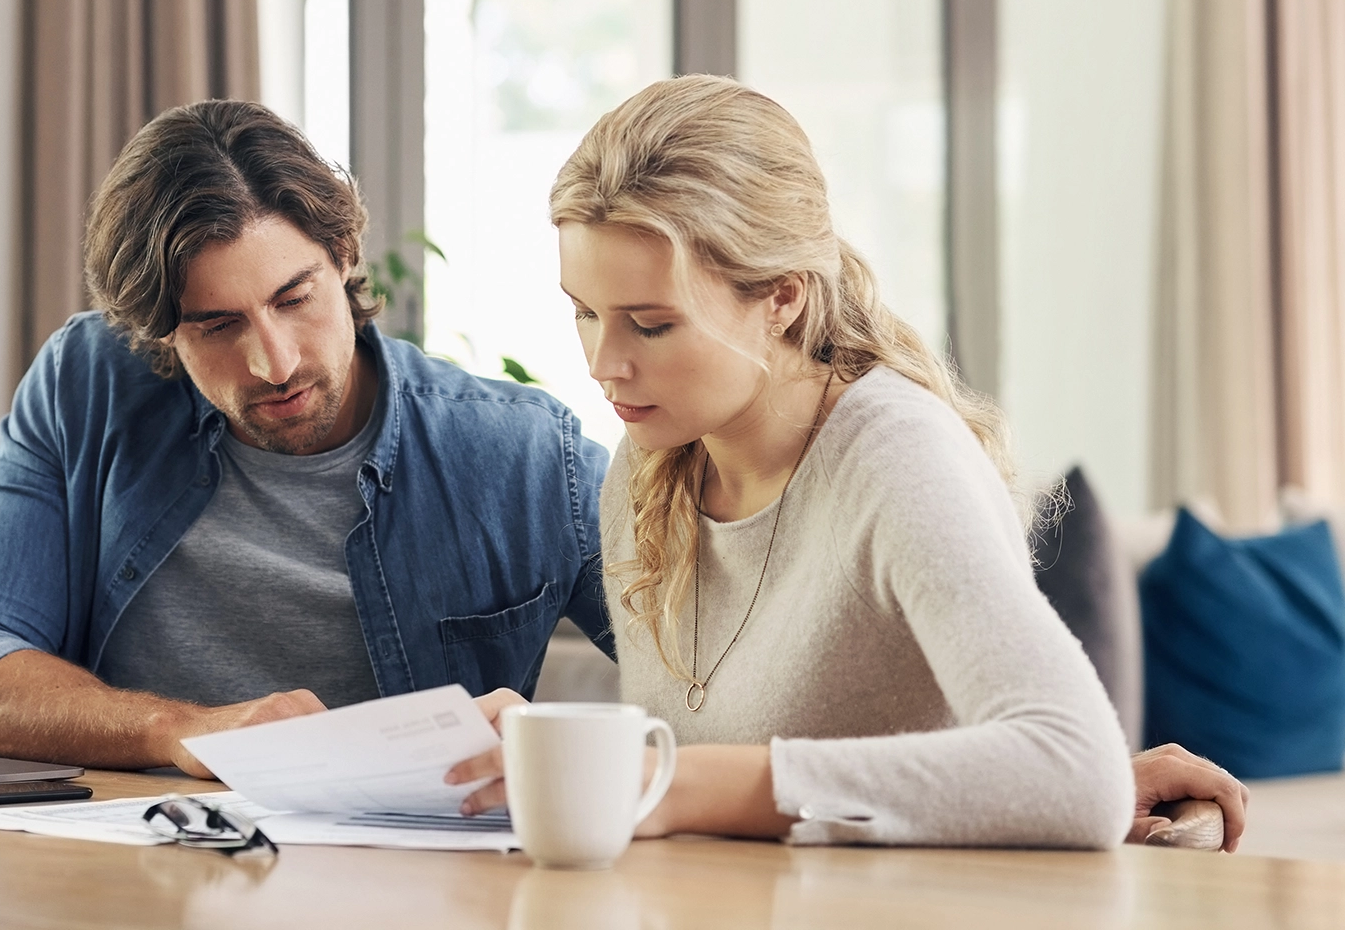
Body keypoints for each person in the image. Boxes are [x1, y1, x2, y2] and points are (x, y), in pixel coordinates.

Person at [451, 74, 1246, 849]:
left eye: (651, 325)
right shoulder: (650, 466)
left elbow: (1075, 770)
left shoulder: (895, 456)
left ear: (784, 297)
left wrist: (669, 780)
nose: (603, 363)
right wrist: (566, 759)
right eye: (584, 313)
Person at [0, 99, 610, 775]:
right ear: (160, 328)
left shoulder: (526, 452)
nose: (273, 364)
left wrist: (549, 745)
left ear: (342, 254)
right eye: (217, 326)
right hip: (139, 870)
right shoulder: (87, 385)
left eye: (293, 299)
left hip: (423, 880)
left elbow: (710, 684)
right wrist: (182, 730)